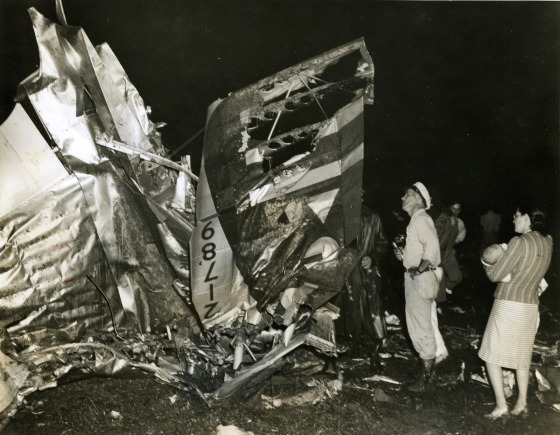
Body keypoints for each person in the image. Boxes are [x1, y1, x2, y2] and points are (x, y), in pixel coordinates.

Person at [478, 204, 553, 419]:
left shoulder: (518, 242)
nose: (513, 220)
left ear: (527, 217)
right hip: (530, 305)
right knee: (522, 356)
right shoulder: (548, 242)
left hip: (509, 303)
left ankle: (501, 405)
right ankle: (522, 403)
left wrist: (485, 262)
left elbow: (495, 275)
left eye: (516, 216)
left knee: (491, 354)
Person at [395, 182, 442, 391]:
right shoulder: (417, 221)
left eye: (407, 195)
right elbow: (422, 249)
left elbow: (431, 249)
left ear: (418, 199)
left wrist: (419, 269)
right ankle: (428, 376)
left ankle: (425, 380)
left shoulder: (421, 219)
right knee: (421, 325)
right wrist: (404, 256)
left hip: (420, 279)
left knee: (420, 327)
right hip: (420, 278)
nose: (402, 198)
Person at [338, 203, 389, 365]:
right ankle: (353, 346)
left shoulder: (372, 216)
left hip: (368, 272)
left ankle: (376, 346)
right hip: (347, 272)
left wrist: (372, 257)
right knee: (350, 307)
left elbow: (383, 243)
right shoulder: (339, 216)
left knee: (372, 307)